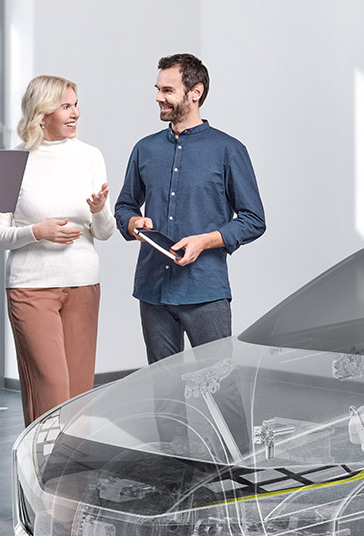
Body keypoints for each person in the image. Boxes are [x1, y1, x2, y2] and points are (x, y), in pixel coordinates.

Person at [113, 53, 266, 364]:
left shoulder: (229, 150)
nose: (159, 98)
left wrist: (205, 240)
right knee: (164, 392)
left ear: (195, 93)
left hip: (205, 290)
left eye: (168, 90)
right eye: (158, 89)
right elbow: (124, 206)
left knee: (222, 388)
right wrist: (132, 224)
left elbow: (253, 220)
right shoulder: (145, 149)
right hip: (152, 289)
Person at [0, 75, 114, 425]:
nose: (76, 113)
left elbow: (105, 233)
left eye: (76, 105)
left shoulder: (90, 156)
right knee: (51, 389)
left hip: (83, 284)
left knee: (79, 394)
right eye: (66, 106)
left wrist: (100, 209)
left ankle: (74, 473)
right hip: (31, 288)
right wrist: (35, 232)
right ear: (42, 115)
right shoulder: (11, 162)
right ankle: (42, 471)